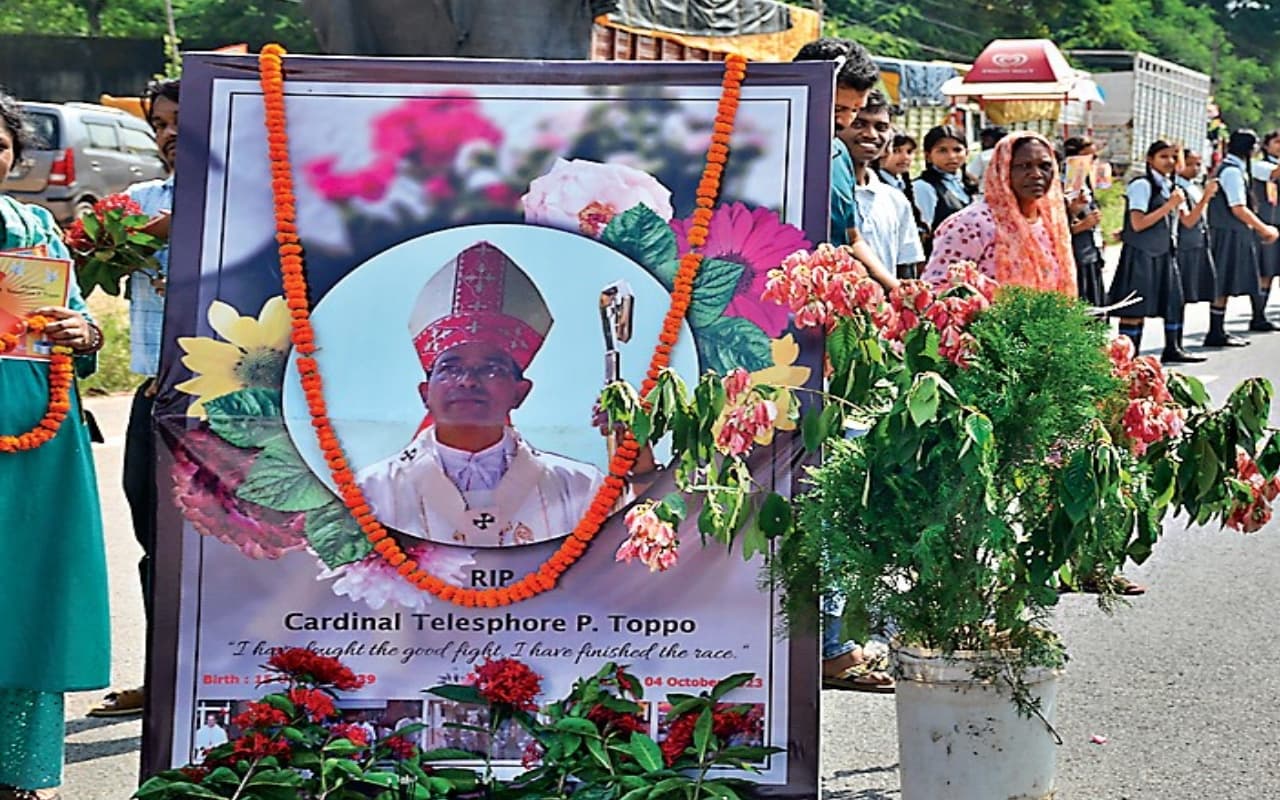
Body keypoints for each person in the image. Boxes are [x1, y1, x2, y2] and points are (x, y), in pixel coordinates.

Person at [0, 92, 111, 800]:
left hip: (38, 438)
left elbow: (77, 322)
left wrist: (85, 333)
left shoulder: (37, 226)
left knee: (28, 592)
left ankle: (17, 769)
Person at [358, 240, 613, 547]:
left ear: (520, 392)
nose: (468, 381)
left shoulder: (579, 486)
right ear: (425, 393)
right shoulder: (371, 490)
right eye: (451, 368)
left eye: (492, 369)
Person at [90, 78, 178, 719]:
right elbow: (99, 255)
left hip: (236, 407)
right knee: (154, 537)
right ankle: (160, 677)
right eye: (160, 125)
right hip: (154, 397)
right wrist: (166, 223)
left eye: (183, 121)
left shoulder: (258, 199)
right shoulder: (140, 203)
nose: (170, 135)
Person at [793, 37, 899, 290]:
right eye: (837, 108)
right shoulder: (756, 148)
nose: (845, 121)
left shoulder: (840, 154)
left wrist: (896, 290)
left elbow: (853, 238)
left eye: (854, 110)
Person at [922, 130, 1076, 295]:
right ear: (1002, 170)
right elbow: (936, 289)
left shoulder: (1049, 223)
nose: (1036, 174)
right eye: (1024, 166)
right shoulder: (972, 224)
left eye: (1045, 166)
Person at [1107, 140, 1198, 363]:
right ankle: (1127, 359)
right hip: (1141, 254)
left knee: (1173, 302)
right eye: (1163, 157)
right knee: (1135, 308)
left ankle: (1173, 348)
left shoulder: (1171, 185)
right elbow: (1138, 223)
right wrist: (1169, 205)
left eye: (1173, 157)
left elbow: (1186, 221)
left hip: (1165, 252)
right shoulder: (1142, 185)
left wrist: (1201, 199)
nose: (1170, 161)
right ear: (1150, 159)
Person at [1205, 130, 1280, 348]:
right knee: (1223, 281)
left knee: (1226, 281)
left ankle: (1218, 330)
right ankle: (1215, 331)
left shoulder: (1233, 168)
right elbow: (1238, 207)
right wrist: (1263, 228)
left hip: (1229, 230)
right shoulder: (1232, 171)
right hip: (1228, 232)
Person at [839, 91, 924, 280]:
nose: (870, 134)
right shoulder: (820, 192)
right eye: (858, 124)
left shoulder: (895, 199)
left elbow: (905, 266)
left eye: (881, 127)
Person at [1175, 149, 1220, 352]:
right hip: (1184, 246)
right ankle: (1174, 344)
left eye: (1198, 164)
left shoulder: (1192, 186)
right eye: (1191, 164)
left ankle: (1178, 342)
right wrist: (1206, 197)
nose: (1196, 168)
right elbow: (1188, 221)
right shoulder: (1178, 188)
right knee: (1179, 296)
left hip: (1198, 243)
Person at [913, 125, 977, 255]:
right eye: (942, 151)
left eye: (957, 150)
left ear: (966, 153)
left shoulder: (969, 185)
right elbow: (922, 235)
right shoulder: (923, 187)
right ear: (928, 156)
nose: (951, 156)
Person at [1062, 136, 1106, 307]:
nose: (1093, 162)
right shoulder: (1059, 183)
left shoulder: (1084, 182)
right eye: (1090, 157)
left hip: (1090, 252)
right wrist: (1082, 225)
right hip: (1076, 256)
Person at [1249, 129, 1280, 330]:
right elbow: (1275, 174)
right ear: (1266, 146)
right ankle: (1258, 316)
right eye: (1277, 142)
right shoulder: (1260, 165)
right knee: (1266, 271)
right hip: (1267, 224)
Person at [966, 124, 1007, 189]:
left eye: (985, 140)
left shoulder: (983, 156)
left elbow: (970, 174)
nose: (982, 142)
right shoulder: (1014, 154)